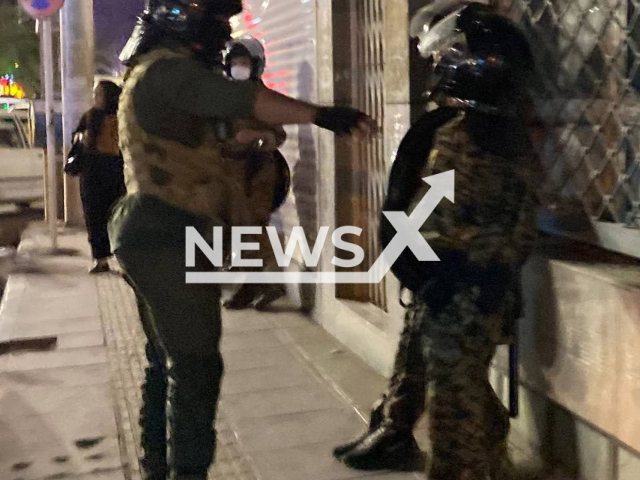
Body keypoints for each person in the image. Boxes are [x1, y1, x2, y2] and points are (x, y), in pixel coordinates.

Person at [109, 1, 376, 479]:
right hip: (167, 233)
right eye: (216, 22)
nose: (222, 31)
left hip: (154, 230)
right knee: (195, 367)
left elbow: (222, 127)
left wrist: (250, 139)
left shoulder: (158, 75)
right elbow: (242, 100)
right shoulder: (168, 71)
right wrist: (321, 114)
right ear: (187, 22)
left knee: (164, 357)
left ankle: (157, 465)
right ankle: (185, 472)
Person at [335, 3, 539, 479]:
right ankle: (412, 437)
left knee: (453, 411)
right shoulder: (499, 134)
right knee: (450, 388)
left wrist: (426, 272)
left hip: (463, 292)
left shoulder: (463, 133)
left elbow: (410, 219)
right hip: (465, 291)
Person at [221, 35, 289, 311]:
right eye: (234, 62)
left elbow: (278, 135)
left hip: (258, 171)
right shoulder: (223, 97)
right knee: (240, 229)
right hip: (231, 173)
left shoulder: (262, 98)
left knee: (253, 228)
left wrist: (258, 137)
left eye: (244, 62)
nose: (238, 67)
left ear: (256, 65)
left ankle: (255, 286)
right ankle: (260, 283)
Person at [74, 81, 126, 274]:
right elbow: (77, 136)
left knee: (116, 215)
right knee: (95, 215)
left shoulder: (122, 116)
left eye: (99, 94)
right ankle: (101, 258)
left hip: (114, 170)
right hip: (94, 170)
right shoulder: (90, 116)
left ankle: (120, 256)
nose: (96, 98)